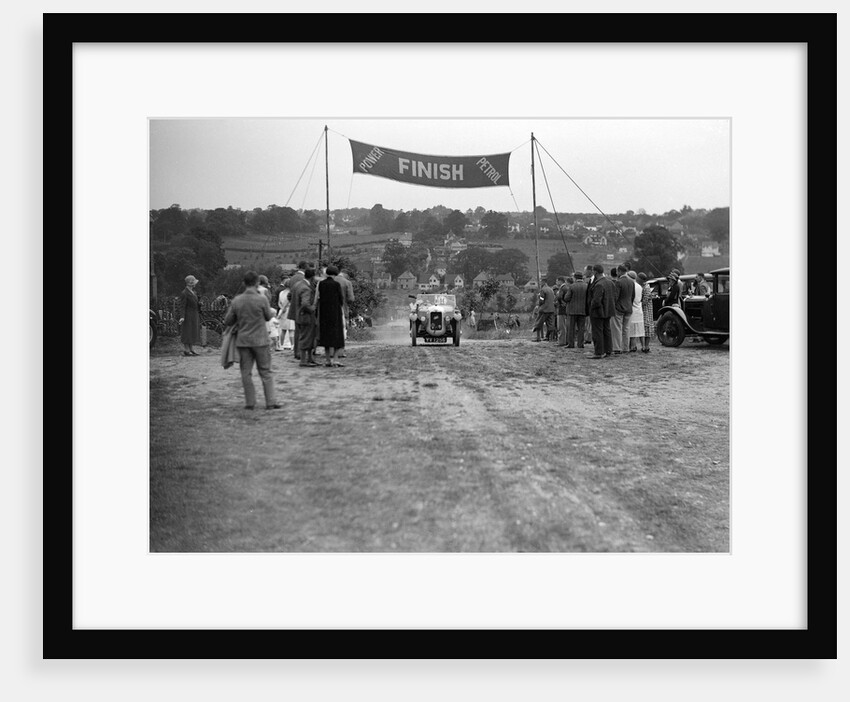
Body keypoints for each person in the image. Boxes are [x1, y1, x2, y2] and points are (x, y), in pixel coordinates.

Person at [222, 270, 280, 410]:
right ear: (257, 283)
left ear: (244, 283)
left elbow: (228, 321)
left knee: (246, 372)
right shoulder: (262, 299)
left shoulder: (237, 300)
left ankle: (250, 403)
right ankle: (270, 402)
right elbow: (268, 317)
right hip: (261, 340)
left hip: (243, 341)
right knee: (265, 371)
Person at [318, 265, 346, 367]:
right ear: (335, 274)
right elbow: (341, 299)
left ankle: (327, 360)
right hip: (335, 312)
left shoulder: (321, 284)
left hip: (324, 313)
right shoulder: (336, 284)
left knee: (326, 336)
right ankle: (335, 359)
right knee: (336, 336)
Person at [587, 264, 616, 359]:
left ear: (595, 272)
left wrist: (591, 307)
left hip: (598, 312)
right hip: (608, 310)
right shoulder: (610, 282)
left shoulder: (598, 284)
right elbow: (614, 297)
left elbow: (596, 300)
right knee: (607, 331)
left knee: (597, 332)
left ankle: (599, 352)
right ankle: (608, 350)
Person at [295, 268, 319, 367]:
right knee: (306, 337)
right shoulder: (306, 288)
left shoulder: (299, 285)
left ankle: (309, 358)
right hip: (306, 316)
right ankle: (304, 360)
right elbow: (305, 303)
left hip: (300, 315)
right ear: (312, 277)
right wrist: (312, 308)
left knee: (308, 336)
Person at [611, 264, 635, 354]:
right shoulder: (631, 282)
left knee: (617, 328)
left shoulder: (618, 282)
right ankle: (625, 347)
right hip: (628, 308)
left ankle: (617, 348)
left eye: (617, 271)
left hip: (619, 308)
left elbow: (615, 296)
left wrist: (613, 306)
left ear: (620, 271)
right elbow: (633, 296)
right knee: (626, 329)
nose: (616, 273)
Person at [287, 261, 308, 361]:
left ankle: (296, 351)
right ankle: (300, 352)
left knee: (297, 331)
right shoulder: (303, 279)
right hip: (301, 307)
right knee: (302, 331)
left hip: (294, 306)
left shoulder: (292, 278)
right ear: (305, 267)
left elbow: (290, 294)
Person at [178, 274, 202, 356]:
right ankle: (186, 349)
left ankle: (191, 348)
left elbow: (195, 303)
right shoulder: (184, 293)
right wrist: (182, 317)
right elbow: (182, 306)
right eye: (194, 282)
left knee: (192, 331)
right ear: (190, 283)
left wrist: (199, 304)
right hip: (187, 315)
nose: (195, 284)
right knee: (187, 331)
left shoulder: (194, 292)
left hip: (194, 314)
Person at [335, 267, 355, 357]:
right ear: (346, 275)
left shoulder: (330, 280)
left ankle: (330, 351)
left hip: (328, 309)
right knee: (342, 329)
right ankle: (340, 351)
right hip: (342, 308)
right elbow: (351, 299)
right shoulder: (347, 282)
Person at [565, 271, 588, 349]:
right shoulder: (586, 286)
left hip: (572, 310)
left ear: (575, 278)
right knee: (581, 328)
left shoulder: (572, 286)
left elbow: (566, 298)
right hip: (583, 310)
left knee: (571, 328)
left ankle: (571, 344)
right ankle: (580, 344)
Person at [627, 270, 645, 352]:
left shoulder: (631, 286)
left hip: (633, 309)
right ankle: (643, 346)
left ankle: (633, 346)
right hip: (639, 308)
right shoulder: (640, 287)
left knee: (632, 330)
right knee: (641, 329)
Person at [638, 272, 654, 353]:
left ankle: (646, 346)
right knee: (643, 328)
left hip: (646, 311)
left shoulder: (646, 287)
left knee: (647, 328)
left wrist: (638, 303)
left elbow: (645, 300)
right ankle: (644, 346)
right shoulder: (643, 287)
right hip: (644, 310)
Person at [276, 279, 294, 350]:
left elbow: (279, 302)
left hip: (282, 311)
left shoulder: (281, 293)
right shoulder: (291, 293)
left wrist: (282, 308)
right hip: (289, 310)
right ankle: (292, 345)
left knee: (283, 330)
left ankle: (281, 344)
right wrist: (285, 308)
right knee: (291, 330)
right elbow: (289, 302)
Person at [554, 276, 569, 346]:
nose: (556, 283)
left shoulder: (562, 288)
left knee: (561, 326)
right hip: (565, 309)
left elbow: (559, 297)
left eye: (557, 281)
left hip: (561, 309)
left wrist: (559, 302)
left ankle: (561, 341)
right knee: (565, 326)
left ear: (560, 281)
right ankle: (565, 340)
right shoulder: (566, 287)